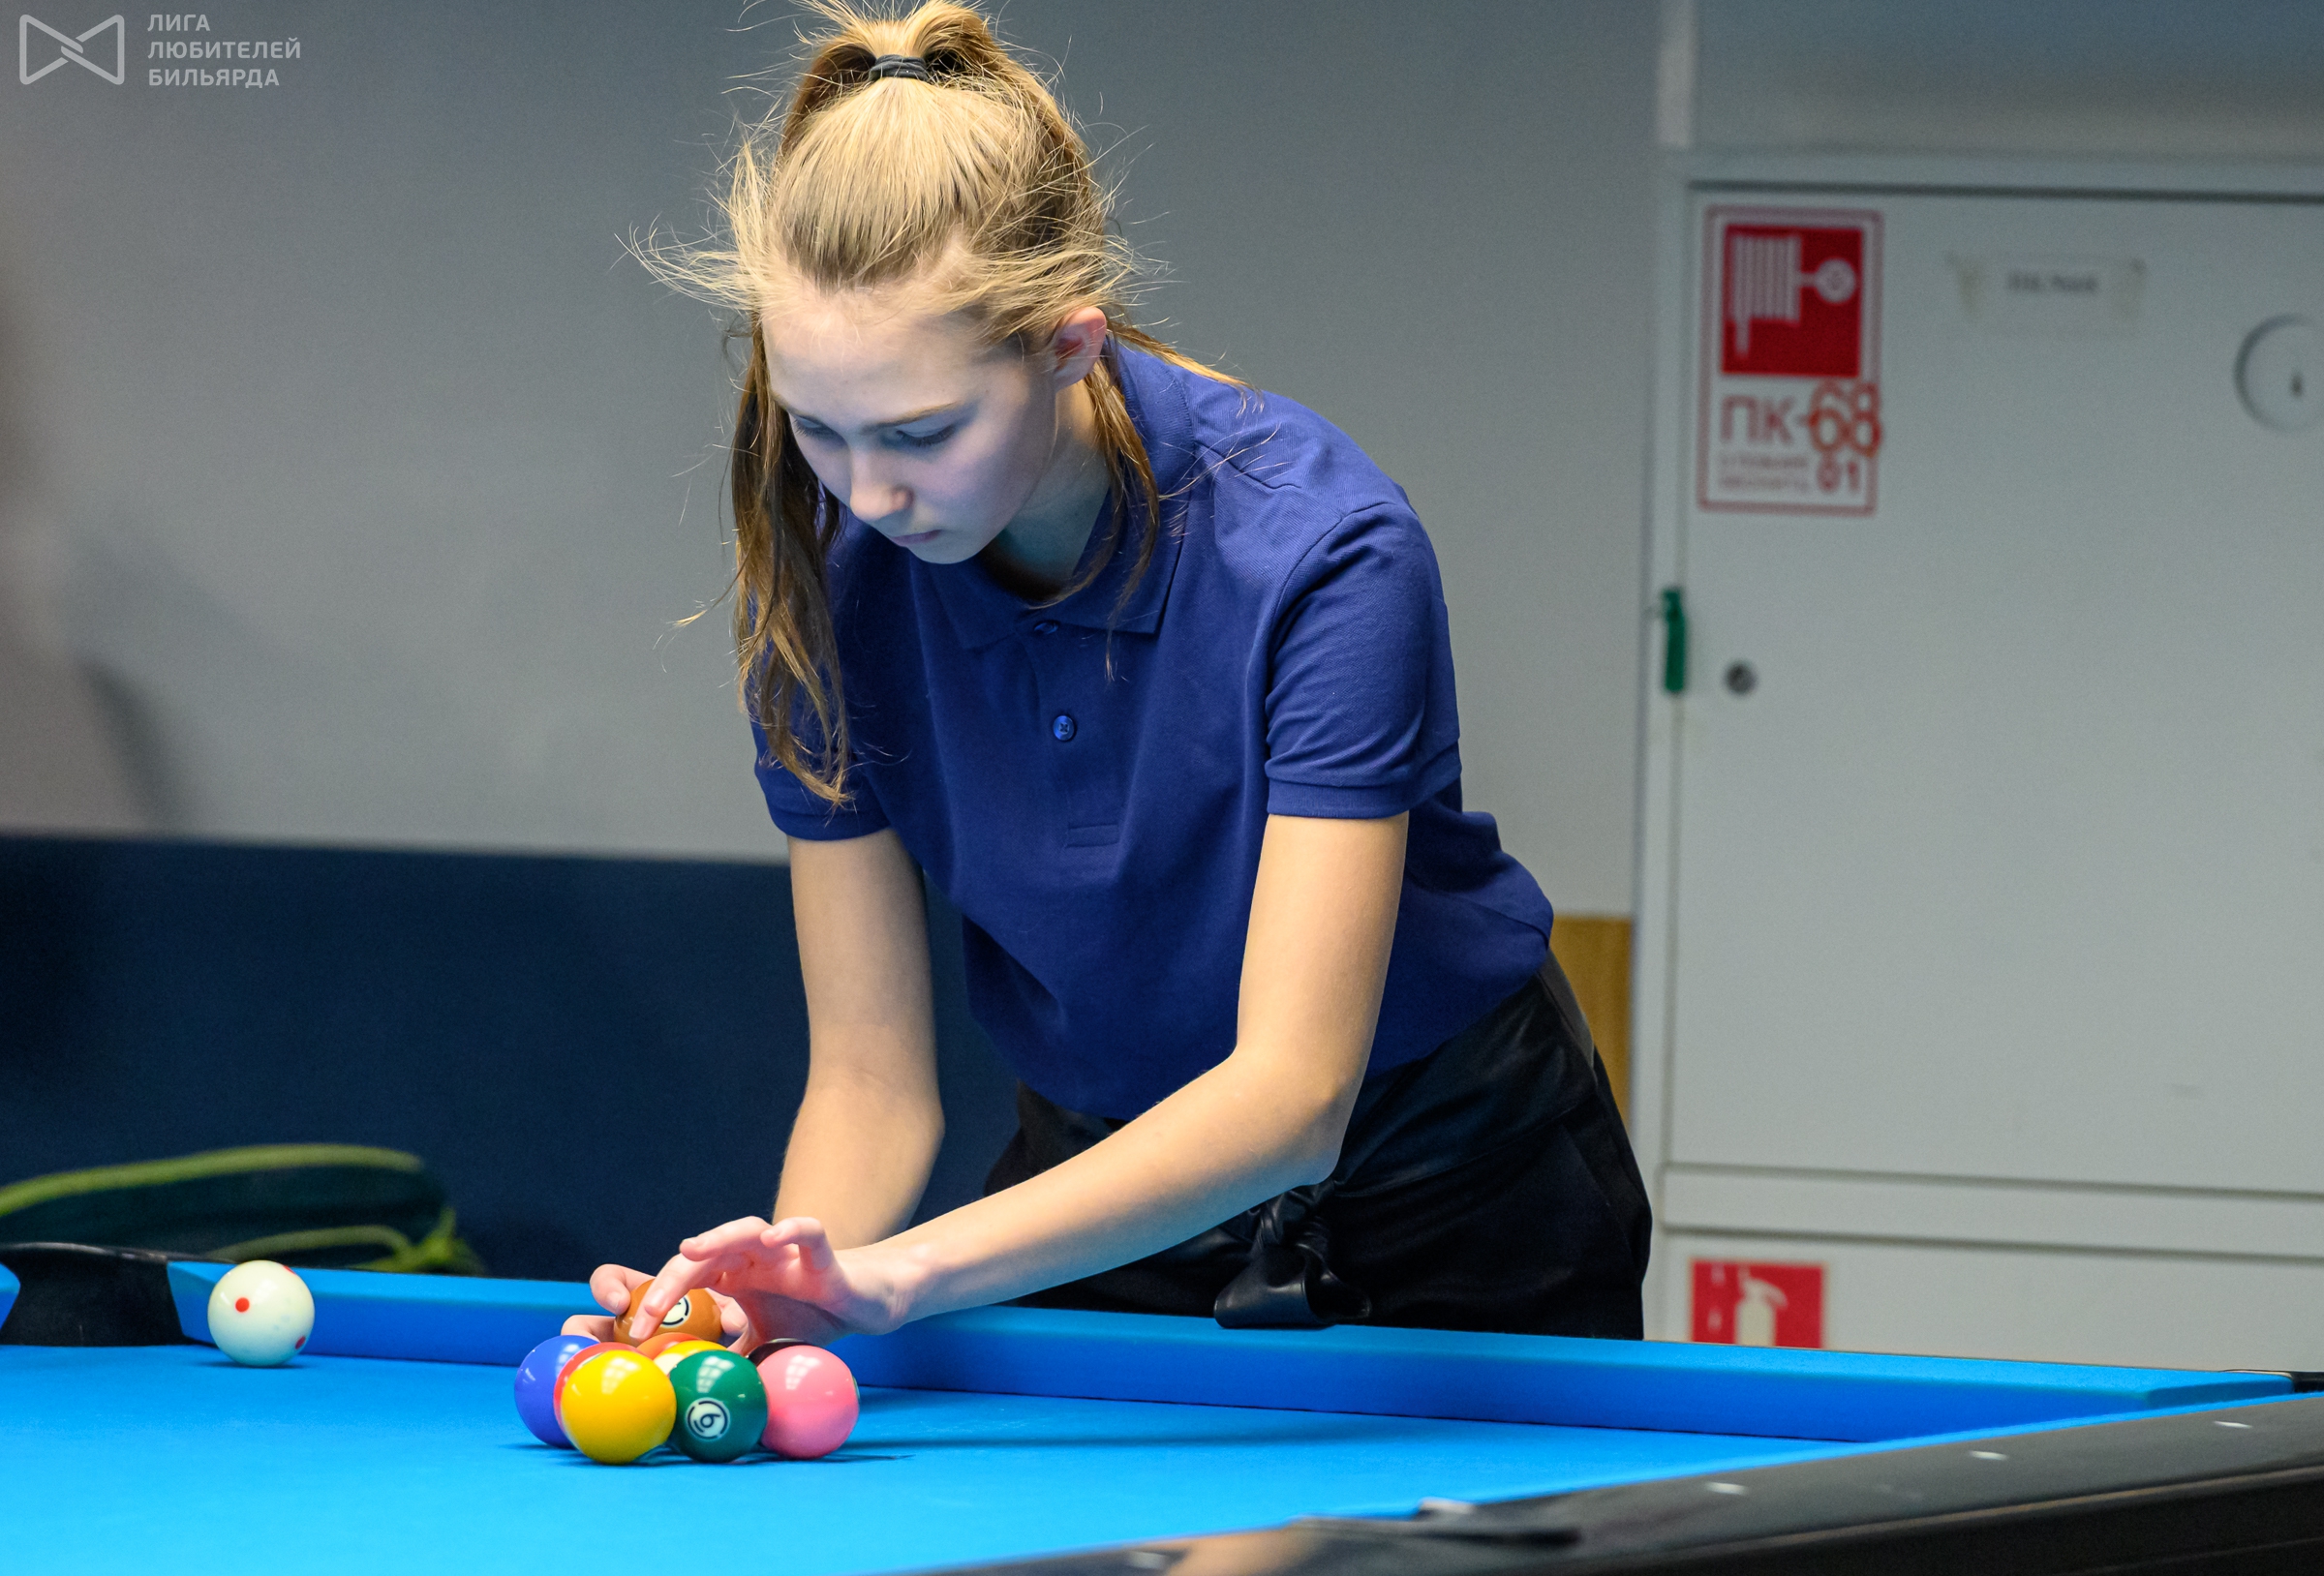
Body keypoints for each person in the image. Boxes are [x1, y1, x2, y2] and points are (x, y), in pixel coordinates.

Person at [566, 0, 1648, 1354]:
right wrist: (775, 1301)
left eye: (922, 432)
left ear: (1069, 345)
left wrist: (899, 1277)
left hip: (1456, 1197)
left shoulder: (1325, 552)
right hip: (1102, 1195)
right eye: (820, 431)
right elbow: (870, 1082)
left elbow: (1293, 1096)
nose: (870, 494)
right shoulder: (822, 590)